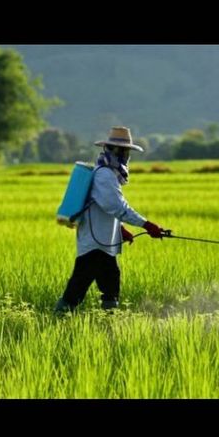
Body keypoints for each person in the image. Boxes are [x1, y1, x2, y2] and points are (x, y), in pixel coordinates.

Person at [54, 126, 164, 314]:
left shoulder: (109, 173)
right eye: (125, 151)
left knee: (111, 284)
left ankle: (109, 322)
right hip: (95, 242)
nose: (127, 156)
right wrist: (147, 225)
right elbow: (117, 207)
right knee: (78, 288)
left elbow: (105, 207)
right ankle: (59, 319)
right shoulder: (105, 174)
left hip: (103, 242)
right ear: (117, 151)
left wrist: (120, 229)